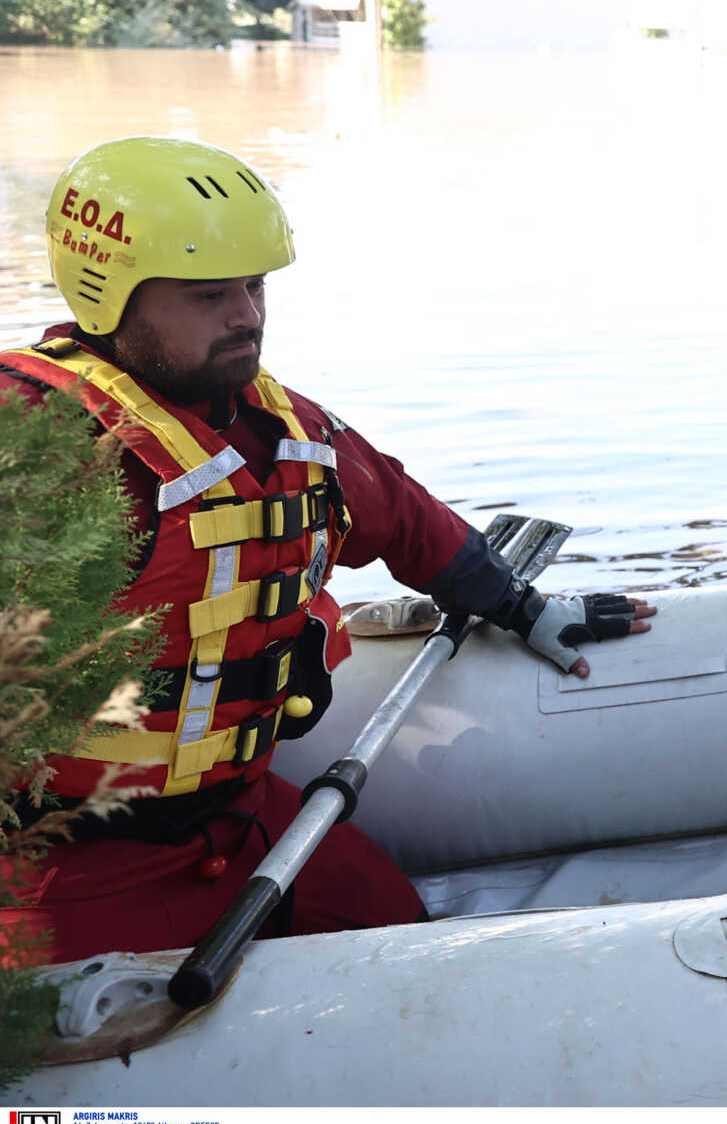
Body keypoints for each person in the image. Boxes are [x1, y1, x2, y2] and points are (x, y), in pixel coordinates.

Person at [0, 137, 655, 966]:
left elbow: (406, 518)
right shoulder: (33, 449)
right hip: (61, 868)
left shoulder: (282, 427)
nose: (247, 316)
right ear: (108, 299)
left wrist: (524, 607)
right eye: (210, 295)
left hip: (241, 823)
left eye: (255, 286)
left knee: (402, 937)